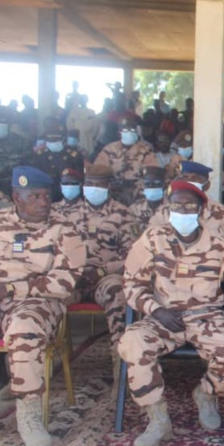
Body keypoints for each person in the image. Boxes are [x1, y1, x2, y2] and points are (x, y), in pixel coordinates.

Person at [119, 180, 224, 446]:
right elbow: (131, 284)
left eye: (189, 206)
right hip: (162, 316)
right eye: (176, 206)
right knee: (133, 342)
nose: (182, 211)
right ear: (168, 209)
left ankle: (205, 394)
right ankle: (157, 418)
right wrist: (154, 309)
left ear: (201, 210)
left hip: (207, 316)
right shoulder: (151, 239)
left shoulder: (220, 245)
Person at [0, 166, 86, 446]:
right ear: (16, 196)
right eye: (35, 197)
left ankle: (28, 417)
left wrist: (8, 289)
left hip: (37, 304)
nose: (44, 202)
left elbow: (64, 282)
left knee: (23, 331)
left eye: (46, 196)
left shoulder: (64, 229)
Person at [56, 163, 135, 390]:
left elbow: (133, 255)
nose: (92, 188)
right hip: (74, 278)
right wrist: (72, 273)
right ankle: (41, 364)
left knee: (118, 294)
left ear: (108, 187)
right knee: (47, 296)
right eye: (88, 184)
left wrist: (102, 271)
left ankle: (121, 367)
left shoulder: (122, 214)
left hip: (105, 278)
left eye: (98, 185)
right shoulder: (65, 214)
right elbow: (55, 250)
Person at [148, 161, 224, 245]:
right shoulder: (165, 210)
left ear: (206, 186)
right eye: (185, 177)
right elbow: (151, 241)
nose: (189, 182)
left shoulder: (219, 211)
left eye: (195, 178)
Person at [94, 116, 158, 205]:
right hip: (113, 193)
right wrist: (112, 170)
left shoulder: (145, 150)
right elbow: (97, 171)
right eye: (124, 130)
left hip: (139, 193)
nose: (128, 133)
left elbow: (153, 172)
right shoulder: (109, 149)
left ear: (136, 131)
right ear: (119, 132)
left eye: (131, 130)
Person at [0, 107, 32, 211]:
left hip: (14, 185)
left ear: (9, 124)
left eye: (2, 122)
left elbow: (28, 168)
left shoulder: (22, 142)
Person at [31, 122, 84, 202]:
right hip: (46, 195)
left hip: (68, 195)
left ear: (63, 139)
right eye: (50, 140)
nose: (53, 142)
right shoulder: (40, 155)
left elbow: (80, 178)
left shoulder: (73, 155)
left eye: (56, 139)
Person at [129, 166, 167, 237]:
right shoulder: (135, 209)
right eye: (148, 184)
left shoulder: (171, 207)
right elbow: (134, 233)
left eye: (156, 184)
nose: (151, 187)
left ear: (164, 186)